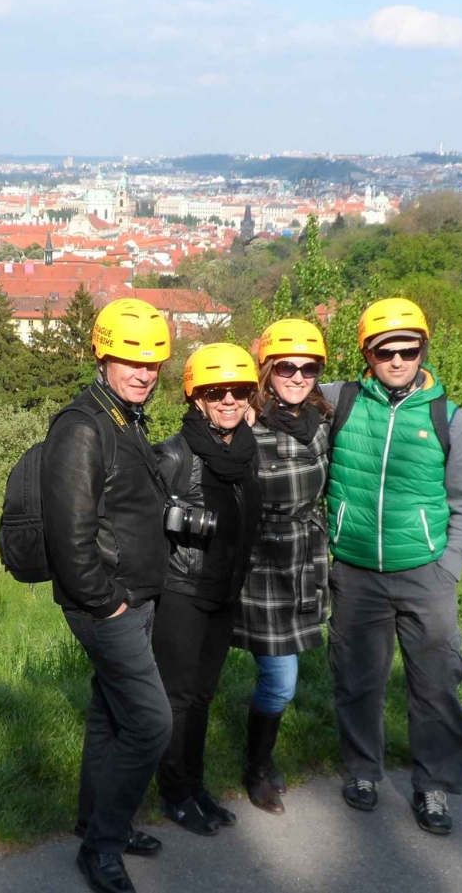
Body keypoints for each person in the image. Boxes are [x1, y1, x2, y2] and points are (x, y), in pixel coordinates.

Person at [321, 297, 462, 836]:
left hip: (426, 573)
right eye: (383, 351)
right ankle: (364, 771)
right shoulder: (339, 401)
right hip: (356, 570)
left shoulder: (448, 419)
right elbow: (282, 392)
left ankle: (433, 787)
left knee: (435, 684)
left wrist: (449, 567)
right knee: (357, 679)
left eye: (407, 349)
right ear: (366, 354)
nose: (396, 360)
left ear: (423, 349)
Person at [44, 296, 174, 893]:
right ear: (102, 355)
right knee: (150, 723)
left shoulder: (124, 414)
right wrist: (109, 603)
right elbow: (70, 539)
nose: (143, 372)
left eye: (153, 362)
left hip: (135, 596)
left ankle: (95, 822)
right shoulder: (82, 425)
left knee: (110, 718)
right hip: (107, 604)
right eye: (130, 359)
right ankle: (101, 847)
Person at [152, 343, 262, 837]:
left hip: (225, 590)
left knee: (202, 697)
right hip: (182, 590)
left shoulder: (245, 450)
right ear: (196, 398)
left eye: (239, 392)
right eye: (216, 392)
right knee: (176, 699)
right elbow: (143, 528)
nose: (228, 401)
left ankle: (193, 787)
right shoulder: (175, 454)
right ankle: (174, 794)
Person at [236, 319, 334, 815]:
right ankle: (255, 766)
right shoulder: (247, 423)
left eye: (309, 367)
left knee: (285, 674)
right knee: (281, 680)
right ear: (268, 370)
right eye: (287, 367)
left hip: (307, 558)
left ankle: (262, 758)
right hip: (264, 564)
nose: (298, 376)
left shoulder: (322, 419)